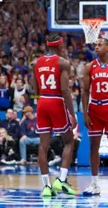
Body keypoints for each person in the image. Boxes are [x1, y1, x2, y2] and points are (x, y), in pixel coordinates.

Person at [32, 34, 78, 197]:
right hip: (56, 101)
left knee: (43, 146)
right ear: (60, 46)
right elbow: (65, 90)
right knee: (69, 141)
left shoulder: (36, 63)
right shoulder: (62, 62)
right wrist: (72, 114)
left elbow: (35, 90)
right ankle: (61, 180)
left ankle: (46, 186)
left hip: (42, 101)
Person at [81, 37, 108, 197]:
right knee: (94, 147)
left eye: (100, 45)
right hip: (94, 108)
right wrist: (85, 112)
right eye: (96, 45)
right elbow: (85, 91)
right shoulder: (89, 67)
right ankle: (94, 184)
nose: (96, 47)